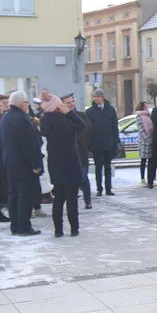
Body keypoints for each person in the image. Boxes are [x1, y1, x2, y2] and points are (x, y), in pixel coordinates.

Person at [39, 92, 87, 237]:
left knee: (58, 199)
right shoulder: (64, 122)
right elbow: (82, 125)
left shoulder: (46, 121)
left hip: (55, 163)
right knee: (72, 198)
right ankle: (74, 229)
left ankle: (58, 230)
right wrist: (70, 113)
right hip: (70, 163)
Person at [0, 91, 43, 236]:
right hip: (23, 164)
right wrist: (36, 164)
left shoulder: (5, 117)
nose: (27, 106)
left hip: (10, 163)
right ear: (20, 103)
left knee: (13, 195)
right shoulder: (22, 119)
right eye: (26, 103)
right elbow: (28, 144)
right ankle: (24, 227)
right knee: (25, 196)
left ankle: (15, 225)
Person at [85, 89, 119, 196]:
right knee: (98, 167)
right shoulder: (90, 111)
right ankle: (99, 189)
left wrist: (116, 141)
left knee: (108, 167)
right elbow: (88, 129)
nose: (96, 99)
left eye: (98, 97)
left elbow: (115, 126)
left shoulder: (110, 110)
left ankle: (108, 188)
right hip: (96, 143)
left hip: (109, 142)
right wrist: (89, 144)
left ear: (102, 97)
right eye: (94, 97)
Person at [135, 101, 153, 189]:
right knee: (143, 160)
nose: (147, 108)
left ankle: (150, 177)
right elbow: (141, 129)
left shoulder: (149, 115)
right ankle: (142, 178)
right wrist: (147, 138)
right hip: (144, 141)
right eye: (145, 106)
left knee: (150, 160)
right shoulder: (139, 116)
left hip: (151, 139)